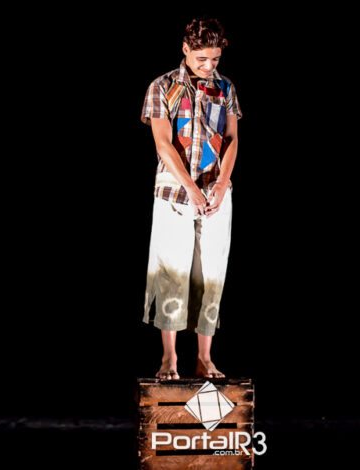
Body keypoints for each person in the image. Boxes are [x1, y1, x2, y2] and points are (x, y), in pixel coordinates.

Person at [141, 17, 242, 380]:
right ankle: (169, 358)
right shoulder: (163, 86)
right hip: (175, 191)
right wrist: (191, 188)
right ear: (185, 49)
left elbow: (231, 139)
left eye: (214, 59)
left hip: (216, 194)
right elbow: (163, 143)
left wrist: (221, 184)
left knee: (211, 272)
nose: (209, 65)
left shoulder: (225, 88)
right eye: (202, 59)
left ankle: (204, 357)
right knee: (171, 271)